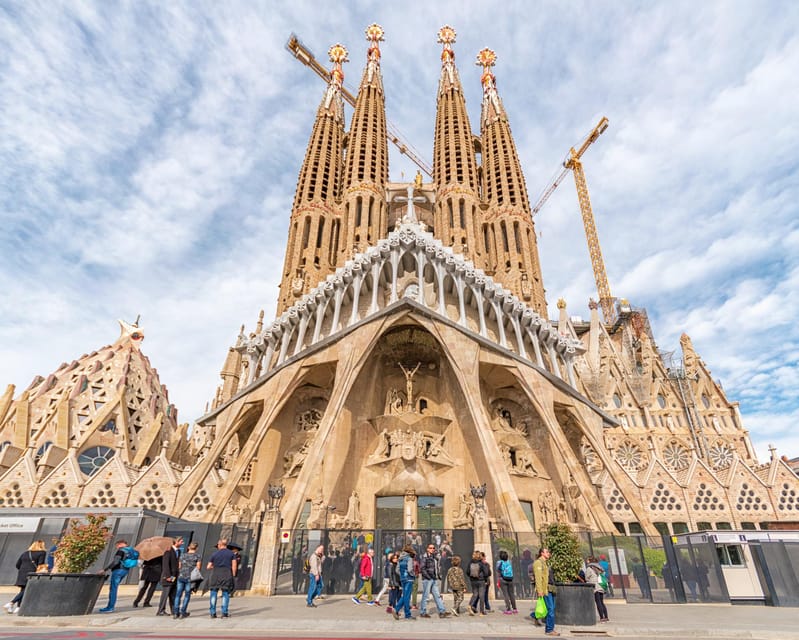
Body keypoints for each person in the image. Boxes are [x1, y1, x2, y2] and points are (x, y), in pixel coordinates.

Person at [4, 540, 46, 614]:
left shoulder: (25, 553)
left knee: (23, 589)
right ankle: (11, 603)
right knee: (27, 589)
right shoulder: (42, 553)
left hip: (22, 573)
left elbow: (17, 564)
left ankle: (18, 607)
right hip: (31, 573)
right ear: (41, 546)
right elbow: (40, 564)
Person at [418, 543, 451, 618]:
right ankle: (423, 612)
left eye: (433, 548)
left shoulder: (434, 557)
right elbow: (422, 568)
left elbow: (438, 565)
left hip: (433, 578)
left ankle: (442, 611)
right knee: (426, 596)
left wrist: (437, 575)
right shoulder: (425, 557)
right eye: (430, 548)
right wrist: (428, 577)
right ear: (427, 549)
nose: (432, 549)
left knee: (437, 596)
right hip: (427, 579)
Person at [98, 539, 132, 613]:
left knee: (113, 588)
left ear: (120, 544)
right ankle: (110, 606)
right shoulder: (130, 551)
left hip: (118, 570)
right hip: (125, 570)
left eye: (117, 545)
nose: (116, 547)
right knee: (114, 587)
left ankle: (110, 607)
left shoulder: (121, 551)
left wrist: (105, 569)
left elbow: (116, 562)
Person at [206, 539, 237, 619]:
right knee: (225, 593)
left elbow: (208, 566)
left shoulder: (214, 554)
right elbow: (234, 566)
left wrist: (215, 566)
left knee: (213, 593)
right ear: (226, 545)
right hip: (226, 574)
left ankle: (213, 613)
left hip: (215, 574)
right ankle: (224, 612)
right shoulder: (232, 554)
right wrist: (233, 575)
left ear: (219, 545)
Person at [533, 547, 559, 636]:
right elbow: (538, 578)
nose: (549, 553)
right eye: (547, 552)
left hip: (550, 589)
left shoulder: (545, 563)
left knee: (550, 608)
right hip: (545, 590)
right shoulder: (538, 563)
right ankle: (549, 629)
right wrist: (540, 590)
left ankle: (534, 615)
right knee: (550, 609)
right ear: (542, 553)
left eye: (549, 552)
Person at [174, 541, 201, 619]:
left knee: (178, 595)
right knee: (187, 595)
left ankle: (176, 612)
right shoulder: (197, 556)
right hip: (190, 578)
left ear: (188, 547)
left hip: (181, 576)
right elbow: (198, 567)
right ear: (196, 548)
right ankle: (183, 612)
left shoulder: (183, 555)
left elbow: (179, 566)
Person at [157, 537, 183, 616]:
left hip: (175, 576)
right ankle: (161, 610)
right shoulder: (168, 551)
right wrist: (167, 576)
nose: (182, 543)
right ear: (176, 542)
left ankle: (174, 610)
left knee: (173, 594)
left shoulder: (178, 551)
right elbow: (165, 565)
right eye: (181, 541)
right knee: (166, 593)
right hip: (168, 576)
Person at [392, 545, 416, 621]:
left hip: (403, 579)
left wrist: (402, 575)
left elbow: (397, 570)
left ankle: (396, 609)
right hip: (409, 579)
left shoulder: (400, 559)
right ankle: (407, 615)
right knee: (407, 597)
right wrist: (413, 575)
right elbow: (410, 570)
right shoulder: (409, 558)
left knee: (405, 595)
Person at [585, 556, 609, 622]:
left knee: (598, 602)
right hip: (601, 586)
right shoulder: (599, 567)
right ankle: (606, 617)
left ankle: (602, 617)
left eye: (587, 560)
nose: (586, 561)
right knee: (602, 602)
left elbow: (586, 578)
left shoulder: (589, 568)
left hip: (595, 587)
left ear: (589, 561)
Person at [467, 550, 488, 616]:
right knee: (481, 595)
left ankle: (470, 605)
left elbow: (467, 572)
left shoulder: (470, 562)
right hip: (481, 581)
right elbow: (486, 573)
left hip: (473, 581)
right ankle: (482, 612)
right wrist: (485, 578)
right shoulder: (481, 563)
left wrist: (471, 577)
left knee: (475, 594)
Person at [496, 549, 517, 614]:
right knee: (511, 594)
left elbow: (497, 570)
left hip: (503, 579)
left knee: (506, 594)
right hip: (510, 579)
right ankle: (515, 608)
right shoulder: (509, 562)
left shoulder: (499, 562)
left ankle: (508, 609)